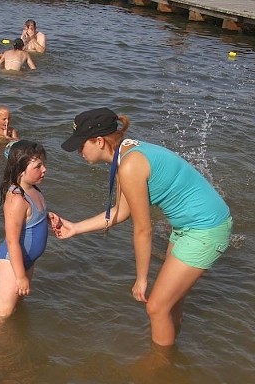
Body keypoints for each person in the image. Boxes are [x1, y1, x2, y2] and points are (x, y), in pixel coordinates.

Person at [50, 108, 232, 347]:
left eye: (80, 145)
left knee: (156, 307)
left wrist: (141, 278)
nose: (78, 152)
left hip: (205, 228)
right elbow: (120, 211)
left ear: (99, 141)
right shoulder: (126, 154)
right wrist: (74, 227)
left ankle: (160, 367)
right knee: (170, 304)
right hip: (188, 227)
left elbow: (143, 229)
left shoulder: (129, 166)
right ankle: (172, 352)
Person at [0, 140, 49, 319]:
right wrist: (19, 276)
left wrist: (48, 218)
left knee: (16, 306)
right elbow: (12, 240)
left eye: (44, 164)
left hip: (27, 260)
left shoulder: (33, 189)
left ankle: (14, 343)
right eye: (38, 166)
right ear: (20, 170)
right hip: (12, 262)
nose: (44, 169)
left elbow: (32, 219)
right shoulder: (17, 199)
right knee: (2, 314)